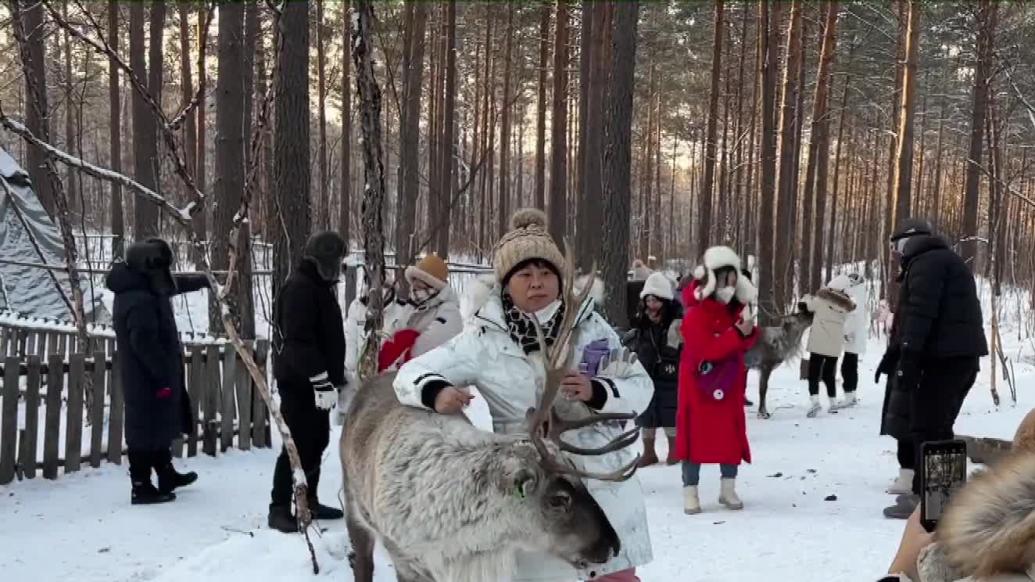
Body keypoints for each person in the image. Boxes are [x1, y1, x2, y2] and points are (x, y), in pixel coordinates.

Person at [394, 208, 653, 582]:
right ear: (505, 283)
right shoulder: (482, 340)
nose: (537, 283)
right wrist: (436, 393)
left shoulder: (591, 328)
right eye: (525, 274)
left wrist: (599, 391)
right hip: (535, 490)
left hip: (601, 477)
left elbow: (640, 388)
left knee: (612, 572)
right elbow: (409, 374)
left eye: (546, 272)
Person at [877, 219, 988, 520]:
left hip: (942, 361)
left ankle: (930, 503)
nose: (896, 255)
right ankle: (940, 501)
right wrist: (895, 355)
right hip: (960, 359)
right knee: (938, 426)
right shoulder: (945, 260)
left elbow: (920, 317)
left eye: (895, 247)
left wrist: (909, 361)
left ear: (907, 243)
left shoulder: (926, 264)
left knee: (927, 426)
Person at [107, 238, 208, 505]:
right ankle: (141, 486)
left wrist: (203, 280)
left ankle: (166, 473)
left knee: (161, 422)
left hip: (155, 373)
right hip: (146, 376)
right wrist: (162, 374)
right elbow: (144, 344)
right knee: (144, 428)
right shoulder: (138, 300)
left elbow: (172, 285)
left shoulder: (145, 286)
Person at [268, 231, 348, 532]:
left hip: (316, 383)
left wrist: (332, 376)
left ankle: (309, 499)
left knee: (317, 441)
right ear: (324, 261)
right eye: (337, 261)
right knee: (296, 445)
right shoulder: (300, 289)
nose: (340, 268)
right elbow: (298, 342)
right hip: (300, 384)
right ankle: (278, 507)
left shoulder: (318, 286)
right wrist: (320, 380)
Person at [675, 246, 759, 515]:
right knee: (694, 438)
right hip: (699, 388)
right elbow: (705, 350)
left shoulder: (736, 309)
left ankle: (728, 488)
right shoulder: (695, 312)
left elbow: (746, 341)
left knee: (730, 437)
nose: (730, 287)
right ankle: (690, 491)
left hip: (729, 383)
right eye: (726, 280)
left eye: (734, 282)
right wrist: (737, 334)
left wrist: (746, 333)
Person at [626, 272, 682, 467]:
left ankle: (674, 448)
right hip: (645, 372)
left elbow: (681, 346)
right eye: (648, 300)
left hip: (670, 373)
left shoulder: (676, 323)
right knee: (646, 412)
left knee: (669, 411)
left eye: (655, 300)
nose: (652, 305)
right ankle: (649, 451)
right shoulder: (641, 322)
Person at [377, 253, 462, 372]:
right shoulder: (413, 305)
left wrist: (398, 364)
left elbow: (429, 346)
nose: (414, 284)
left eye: (420, 280)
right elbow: (396, 331)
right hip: (407, 375)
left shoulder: (449, 312)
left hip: (438, 382)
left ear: (433, 284)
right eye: (414, 279)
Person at [800, 284, 856, 417]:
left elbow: (807, 306)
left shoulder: (821, 300)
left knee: (813, 373)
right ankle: (833, 402)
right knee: (828, 374)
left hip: (818, 342)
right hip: (834, 345)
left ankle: (815, 402)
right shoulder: (846, 308)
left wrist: (807, 298)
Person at [827, 273, 867, 411]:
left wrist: (844, 332)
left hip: (852, 336)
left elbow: (853, 317)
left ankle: (849, 397)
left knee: (848, 367)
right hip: (853, 336)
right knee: (851, 365)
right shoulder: (857, 296)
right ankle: (851, 395)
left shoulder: (854, 297)